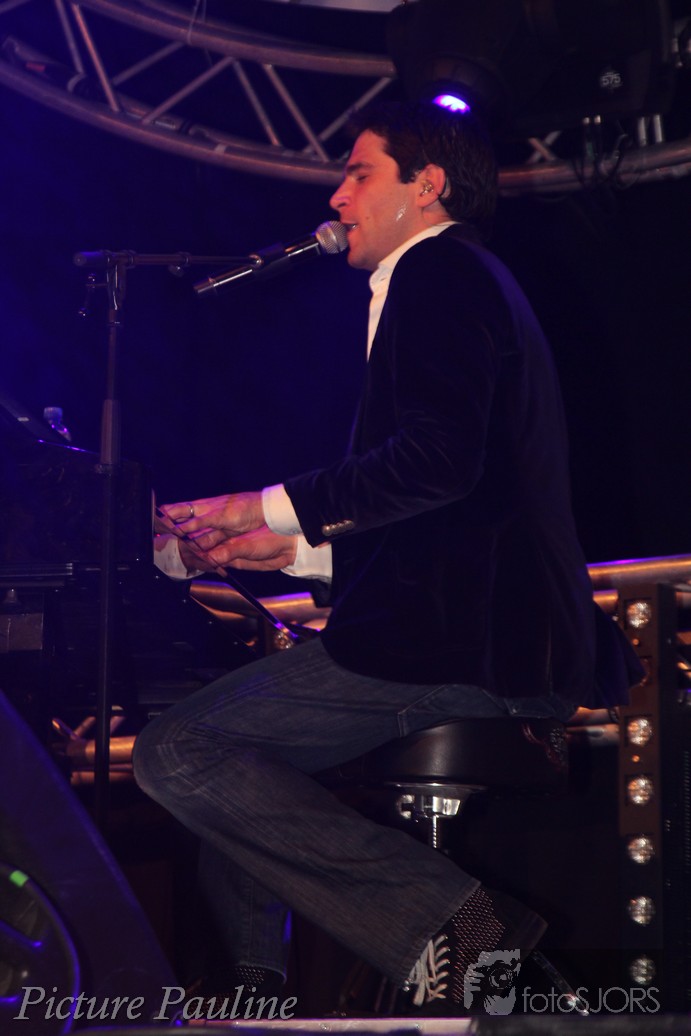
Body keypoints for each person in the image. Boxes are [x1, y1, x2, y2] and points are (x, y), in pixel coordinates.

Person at [134, 100, 640, 1015]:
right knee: (228, 741)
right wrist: (280, 549)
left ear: (427, 185)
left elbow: (435, 464)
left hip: (471, 644)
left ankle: (479, 952)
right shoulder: (455, 279)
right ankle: (253, 989)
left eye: (359, 173)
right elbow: (455, 499)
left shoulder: (438, 271)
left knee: (181, 749)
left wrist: (263, 506)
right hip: (476, 626)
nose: (336, 195)